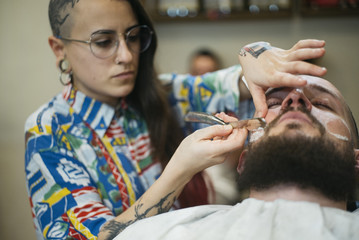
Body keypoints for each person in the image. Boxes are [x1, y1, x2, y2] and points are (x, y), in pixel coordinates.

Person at [24, 0, 327, 239]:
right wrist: (180, 171)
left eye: (133, 37)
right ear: (59, 48)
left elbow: (234, 82)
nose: (127, 56)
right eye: (103, 42)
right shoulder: (48, 131)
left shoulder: (161, 93)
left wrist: (255, 55)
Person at [114, 74, 359, 240]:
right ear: (243, 161)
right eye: (273, 102)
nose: (294, 100)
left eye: (322, 104)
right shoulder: (164, 233)